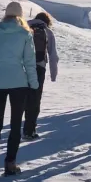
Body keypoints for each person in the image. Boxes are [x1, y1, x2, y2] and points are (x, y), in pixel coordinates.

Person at [0, 2, 39, 181]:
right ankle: (10, 164)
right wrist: (34, 84)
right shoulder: (25, 34)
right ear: (21, 15)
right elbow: (29, 62)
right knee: (15, 124)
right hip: (18, 83)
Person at [22, 11, 58, 140]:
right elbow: (53, 56)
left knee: (21, 99)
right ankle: (29, 131)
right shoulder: (47, 32)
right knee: (35, 99)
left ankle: (16, 129)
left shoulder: (24, 28)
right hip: (39, 68)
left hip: (23, 68)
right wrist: (53, 75)